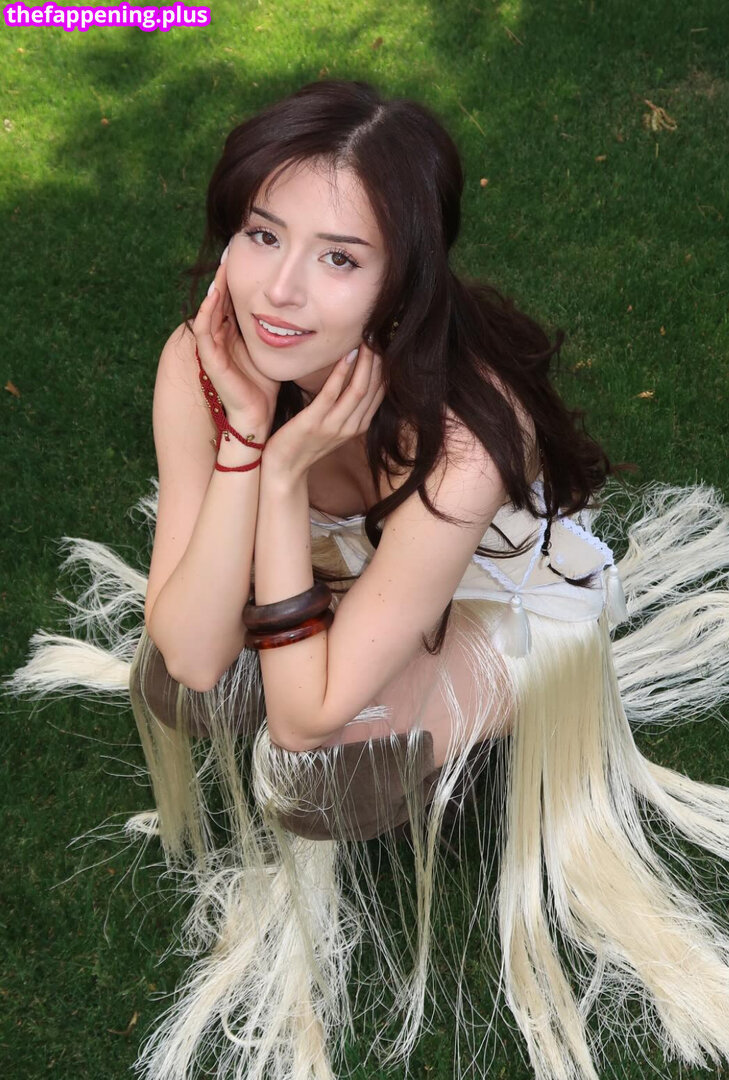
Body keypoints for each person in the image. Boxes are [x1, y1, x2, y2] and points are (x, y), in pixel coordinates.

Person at [5, 77, 729, 1080]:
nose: (279, 290)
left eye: (339, 258)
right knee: (179, 682)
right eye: (263, 236)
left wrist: (283, 477)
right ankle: (360, 655)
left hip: (495, 599)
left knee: (322, 770)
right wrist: (249, 437)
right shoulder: (200, 361)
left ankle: (453, 730)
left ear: (401, 284)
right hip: (348, 569)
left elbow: (308, 718)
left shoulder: (467, 436)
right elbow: (194, 651)